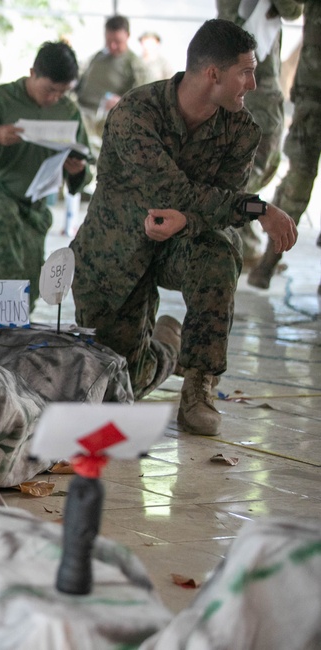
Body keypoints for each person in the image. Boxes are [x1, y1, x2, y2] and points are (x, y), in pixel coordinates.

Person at [70, 19, 298, 437]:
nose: (252, 83)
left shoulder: (241, 129)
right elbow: (171, 189)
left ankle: (199, 386)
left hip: (183, 242)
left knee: (218, 252)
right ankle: (168, 347)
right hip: (115, 249)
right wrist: (258, 208)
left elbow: (222, 202)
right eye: (245, 72)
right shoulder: (136, 113)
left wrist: (192, 220)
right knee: (116, 392)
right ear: (213, 74)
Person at [0, 41, 91, 309]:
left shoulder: (68, 112)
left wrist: (77, 171)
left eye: (63, 92)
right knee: (5, 230)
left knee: (29, 286)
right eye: (49, 90)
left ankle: (8, 320)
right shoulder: (0, 99)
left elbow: (84, 163)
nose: (54, 98)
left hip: (35, 204)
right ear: (32, 72)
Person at [218, 0, 304, 272]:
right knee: (254, 169)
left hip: (248, 83)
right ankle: (232, 241)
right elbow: (293, 9)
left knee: (250, 170)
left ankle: (244, 243)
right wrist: (262, 211)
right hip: (257, 89)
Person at [249, 0, 318, 291]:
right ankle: (266, 264)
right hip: (313, 93)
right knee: (297, 180)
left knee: (297, 180)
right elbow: (290, 8)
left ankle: (266, 264)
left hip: (311, 91)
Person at [75, 15, 148, 142]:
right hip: (81, 110)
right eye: (109, 41)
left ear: (127, 35)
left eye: (118, 42)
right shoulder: (98, 56)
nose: (113, 46)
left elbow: (144, 96)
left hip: (106, 118)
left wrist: (122, 101)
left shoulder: (134, 64)